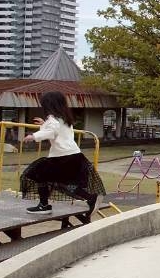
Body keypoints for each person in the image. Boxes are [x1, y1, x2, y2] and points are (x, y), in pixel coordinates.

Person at [20, 91, 105, 222]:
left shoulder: (52, 119)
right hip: (74, 155)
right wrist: (44, 124)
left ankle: (44, 205)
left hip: (62, 157)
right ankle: (89, 197)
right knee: (62, 182)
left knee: (37, 173)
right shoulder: (64, 118)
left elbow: (51, 131)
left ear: (49, 105)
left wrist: (33, 136)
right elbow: (54, 129)